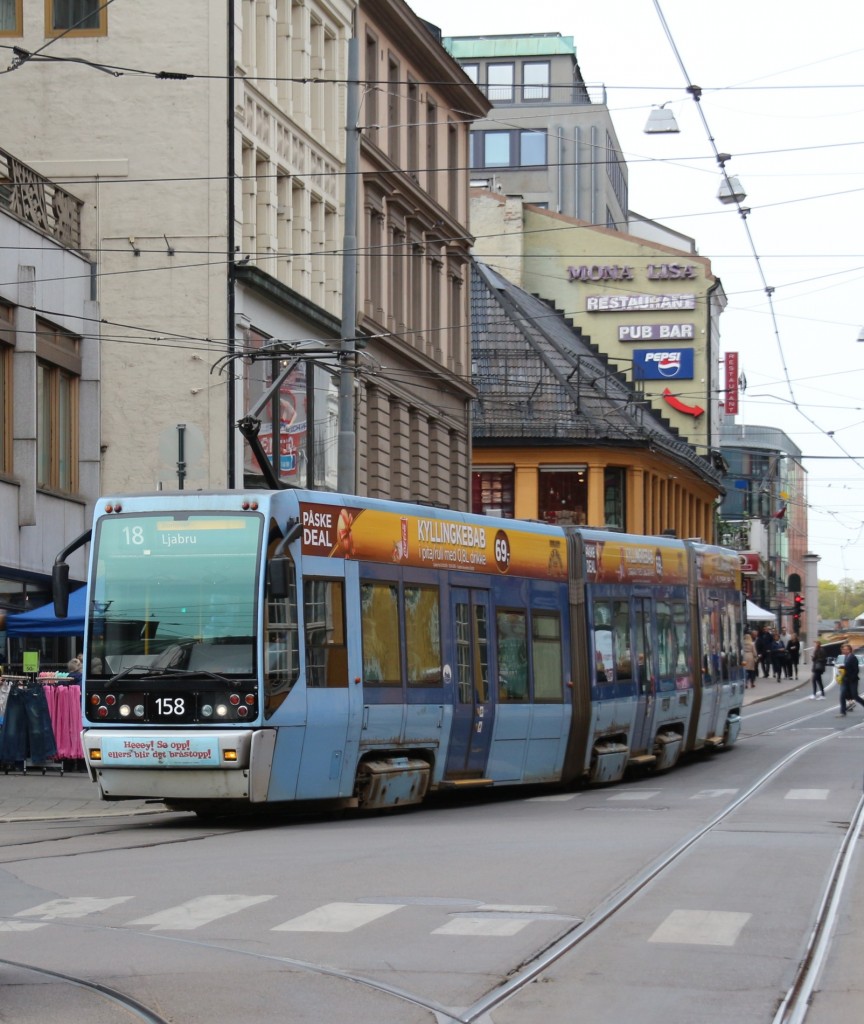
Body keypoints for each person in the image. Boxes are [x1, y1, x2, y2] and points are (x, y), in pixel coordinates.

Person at [836, 643, 864, 717]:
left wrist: (851, 678)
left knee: (855, 696)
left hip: (852, 680)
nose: (843, 650)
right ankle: (843, 712)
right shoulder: (846, 657)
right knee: (842, 695)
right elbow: (848, 667)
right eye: (843, 649)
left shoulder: (853, 658)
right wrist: (843, 668)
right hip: (845, 680)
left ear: (849, 650)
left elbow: (856, 670)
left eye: (845, 649)